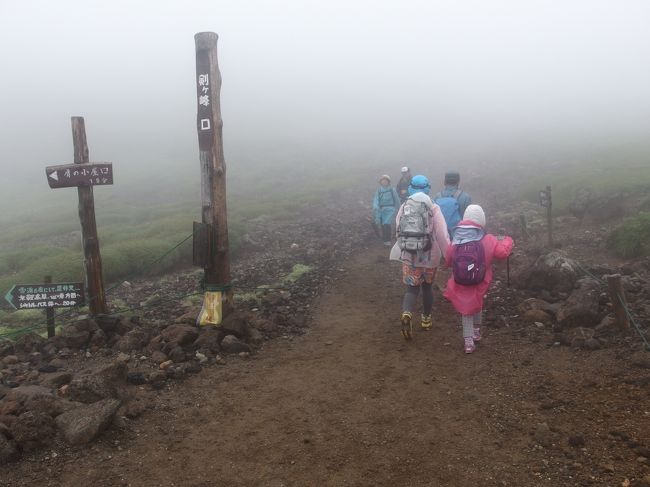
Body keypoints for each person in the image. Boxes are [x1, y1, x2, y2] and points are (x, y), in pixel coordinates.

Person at [444, 205, 514, 353]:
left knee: (466, 309)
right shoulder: (488, 238)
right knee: (477, 302)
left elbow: (448, 259)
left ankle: (468, 340)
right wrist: (508, 240)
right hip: (481, 279)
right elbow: (501, 254)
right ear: (482, 219)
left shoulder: (457, 238)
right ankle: (475, 333)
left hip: (461, 280)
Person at [390, 175, 450, 339]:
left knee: (412, 288)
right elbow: (442, 234)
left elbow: (398, 230)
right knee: (427, 288)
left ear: (411, 188)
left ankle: (407, 314)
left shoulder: (404, 206)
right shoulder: (434, 207)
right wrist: (448, 255)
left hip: (410, 256)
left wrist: (404, 247)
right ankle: (426, 320)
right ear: (427, 188)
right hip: (430, 257)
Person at [434, 171, 472, 238]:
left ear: (444, 182)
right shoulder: (466, 197)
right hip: (458, 236)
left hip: (440, 237)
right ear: (458, 182)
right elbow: (468, 220)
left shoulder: (437, 197)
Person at [373, 175, 400, 247]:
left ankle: (387, 241)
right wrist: (376, 207)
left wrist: (399, 208)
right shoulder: (379, 190)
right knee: (382, 224)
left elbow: (396, 199)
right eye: (383, 180)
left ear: (388, 182)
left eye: (386, 180)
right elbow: (376, 199)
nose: (384, 182)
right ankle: (384, 240)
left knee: (386, 224)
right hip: (381, 210)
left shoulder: (392, 190)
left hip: (390, 209)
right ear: (381, 182)